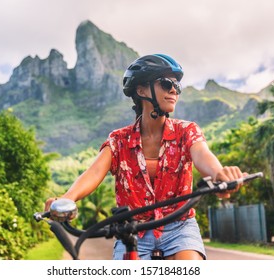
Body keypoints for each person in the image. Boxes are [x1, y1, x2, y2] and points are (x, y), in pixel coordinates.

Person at [45, 54, 246, 260]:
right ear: (141, 90)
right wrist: (67, 198)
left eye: (177, 86)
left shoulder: (186, 131)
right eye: (167, 83)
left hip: (179, 227)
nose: (173, 90)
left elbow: (202, 154)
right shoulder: (118, 140)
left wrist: (220, 174)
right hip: (132, 232)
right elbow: (94, 173)